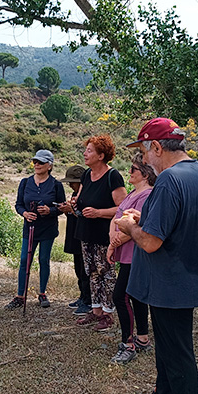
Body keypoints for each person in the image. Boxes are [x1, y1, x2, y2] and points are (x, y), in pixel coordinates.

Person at [117, 117, 198, 394]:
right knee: (167, 341)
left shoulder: (169, 181)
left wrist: (129, 226)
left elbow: (149, 241)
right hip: (186, 276)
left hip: (172, 280)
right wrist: (142, 219)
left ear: (158, 147)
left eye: (145, 153)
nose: (144, 161)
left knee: (177, 349)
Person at [71, 135, 127, 331]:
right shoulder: (87, 174)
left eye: (89, 150)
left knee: (107, 273)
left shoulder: (113, 177)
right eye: (86, 150)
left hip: (105, 234)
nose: (85, 153)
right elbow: (81, 198)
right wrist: (75, 203)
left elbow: (123, 208)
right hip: (86, 232)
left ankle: (108, 314)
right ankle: (95, 311)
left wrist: (99, 213)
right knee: (92, 273)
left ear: (101, 155)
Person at [107, 153, 155, 363]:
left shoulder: (147, 196)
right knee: (136, 296)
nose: (129, 172)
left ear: (145, 174)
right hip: (124, 251)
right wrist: (112, 240)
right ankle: (143, 338)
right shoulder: (132, 194)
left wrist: (118, 240)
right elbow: (117, 216)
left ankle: (129, 344)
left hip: (134, 253)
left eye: (133, 169)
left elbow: (140, 225)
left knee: (120, 296)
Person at [5, 149, 65, 309]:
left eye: (41, 162)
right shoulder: (25, 182)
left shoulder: (56, 185)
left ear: (49, 165)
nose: (36, 165)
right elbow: (18, 204)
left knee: (44, 260)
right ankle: (20, 295)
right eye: (35, 162)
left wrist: (50, 211)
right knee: (25, 260)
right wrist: (24, 213)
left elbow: (62, 207)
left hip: (48, 229)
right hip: (29, 228)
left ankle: (42, 293)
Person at [57, 165, 91, 315]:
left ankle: (88, 300)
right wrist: (67, 210)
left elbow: (85, 216)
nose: (70, 185)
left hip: (84, 237)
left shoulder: (87, 196)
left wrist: (72, 210)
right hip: (74, 236)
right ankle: (82, 296)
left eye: (73, 182)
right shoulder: (74, 195)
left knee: (85, 270)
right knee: (78, 268)